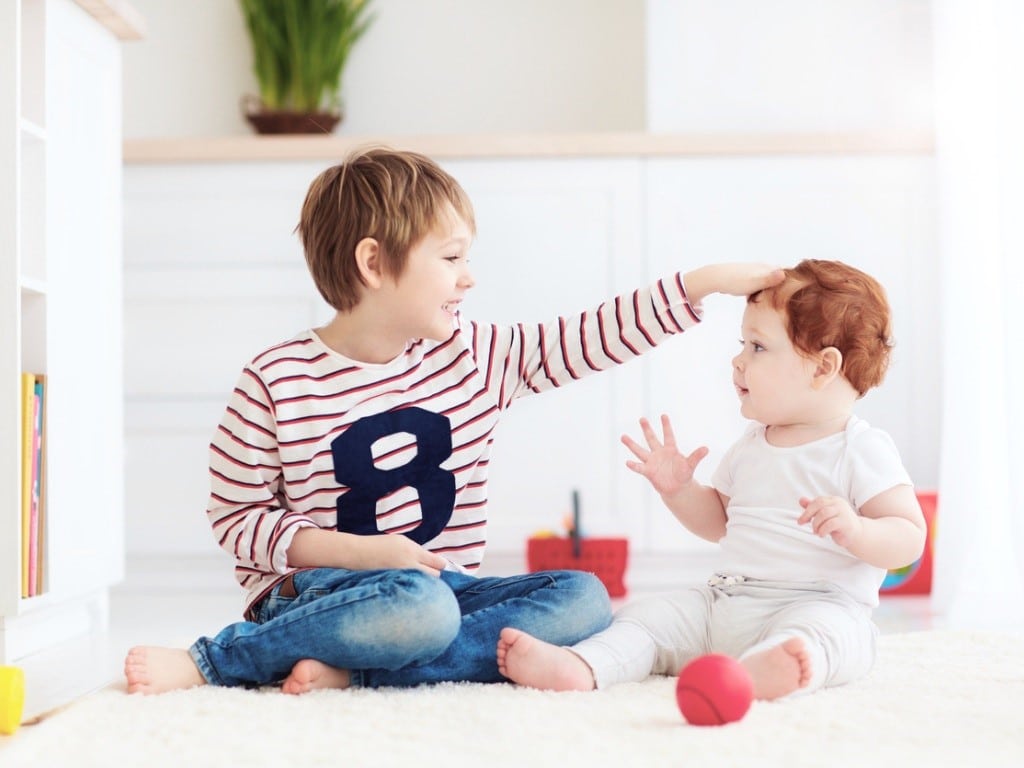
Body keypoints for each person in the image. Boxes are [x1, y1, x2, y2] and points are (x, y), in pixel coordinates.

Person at [123, 146, 782, 696]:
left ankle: (359, 677)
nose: (469, 279)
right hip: (324, 597)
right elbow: (238, 522)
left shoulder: (474, 355)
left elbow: (585, 338)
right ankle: (218, 660)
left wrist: (703, 283)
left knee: (583, 598)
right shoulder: (276, 381)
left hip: (445, 592)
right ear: (374, 263)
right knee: (419, 606)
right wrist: (360, 555)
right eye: (451, 258)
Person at [497, 258, 927, 701]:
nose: (738, 361)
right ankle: (586, 665)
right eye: (743, 344)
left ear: (822, 368)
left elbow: (909, 537)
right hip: (724, 604)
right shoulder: (752, 444)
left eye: (757, 347)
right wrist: (680, 490)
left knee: (832, 636)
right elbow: (718, 522)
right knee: (648, 615)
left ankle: (778, 666)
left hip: (818, 603)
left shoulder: (859, 448)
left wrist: (857, 530)